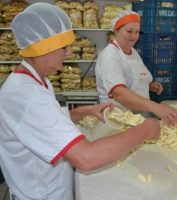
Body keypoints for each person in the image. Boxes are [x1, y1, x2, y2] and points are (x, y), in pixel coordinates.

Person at [0, 3, 160, 200]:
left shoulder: (37, 79)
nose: (69, 53)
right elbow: (86, 158)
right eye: (64, 47)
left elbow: (44, 121)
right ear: (43, 48)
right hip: (41, 195)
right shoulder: (28, 96)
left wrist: (83, 111)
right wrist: (145, 129)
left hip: (50, 186)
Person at [95, 10, 177, 125]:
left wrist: (148, 85)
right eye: (129, 31)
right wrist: (157, 108)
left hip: (138, 117)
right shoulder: (110, 56)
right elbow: (119, 93)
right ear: (116, 30)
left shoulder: (133, 52)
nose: (134, 36)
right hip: (118, 120)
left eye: (137, 32)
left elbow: (132, 78)